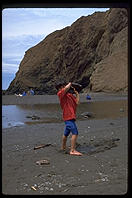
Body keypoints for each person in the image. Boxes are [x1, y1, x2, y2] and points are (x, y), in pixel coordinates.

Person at [56, 81, 83, 156]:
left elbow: (77, 102)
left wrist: (77, 94)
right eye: (61, 87)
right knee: (75, 133)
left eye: (63, 86)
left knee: (66, 133)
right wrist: (70, 83)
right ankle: (72, 150)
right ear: (59, 89)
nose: (63, 88)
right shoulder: (60, 94)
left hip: (71, 117)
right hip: (68, 116)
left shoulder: (70, 95)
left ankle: (63, 147)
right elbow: (66, 88)